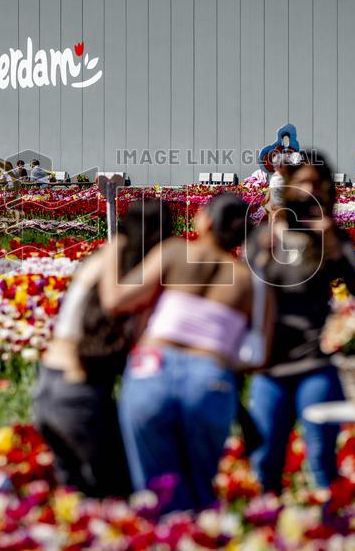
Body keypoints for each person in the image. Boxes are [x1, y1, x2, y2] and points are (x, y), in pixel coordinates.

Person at [100, 193, 254, 512]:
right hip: (210, 377)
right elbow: (256, 350)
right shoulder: (247, 280)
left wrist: (113, 250)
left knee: (155, 495)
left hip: (153, 367)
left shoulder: (174, 252)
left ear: (206, 220)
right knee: (200, 491)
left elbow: (116, 300)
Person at [35, 199, 172, 498]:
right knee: (116, 493)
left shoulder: (101, 260)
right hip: (80, 389)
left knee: (74, 494)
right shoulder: (130, 272)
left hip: (47, 381)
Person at [247, 150, 355, 493]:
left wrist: (332, 246)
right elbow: (247, 289)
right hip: (270, 363)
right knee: (265, 460)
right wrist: (264, 250)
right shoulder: (265, 234)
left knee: (321, 459)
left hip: (316, 358)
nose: (311, 188)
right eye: (303, 182)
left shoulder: (334, 237)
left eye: (317, 182)